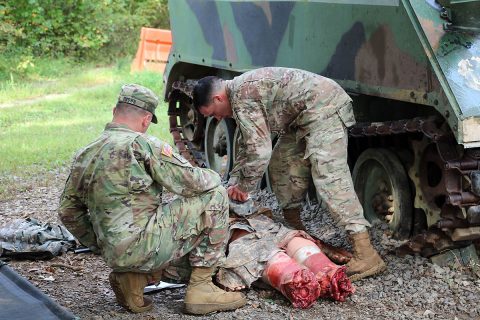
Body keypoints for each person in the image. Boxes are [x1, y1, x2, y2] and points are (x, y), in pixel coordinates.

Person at [58, 84, 246, 315]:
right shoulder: (143, 145)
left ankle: (134, 279)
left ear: (114, 110)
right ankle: (201, 289)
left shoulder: (85, 153)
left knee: (168, 233)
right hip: (145, 246)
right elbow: (193, 183)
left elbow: (67, 211)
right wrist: (216, 176)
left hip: (114, 254)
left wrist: (100, 244)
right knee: (214, 195)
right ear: (146, 119)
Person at [192, 67, 386, 281]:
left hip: (323, 108)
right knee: (281, 164)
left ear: (218, 98)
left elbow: (259, 150)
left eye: (213, 113)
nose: (218, 119)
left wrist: (244, 188)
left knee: (330, 179)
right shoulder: (237, 95)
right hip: (301, 116)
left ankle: (366, 253)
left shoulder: (242, 95)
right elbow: (245, 144)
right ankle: (295, 227)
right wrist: (236, 181)